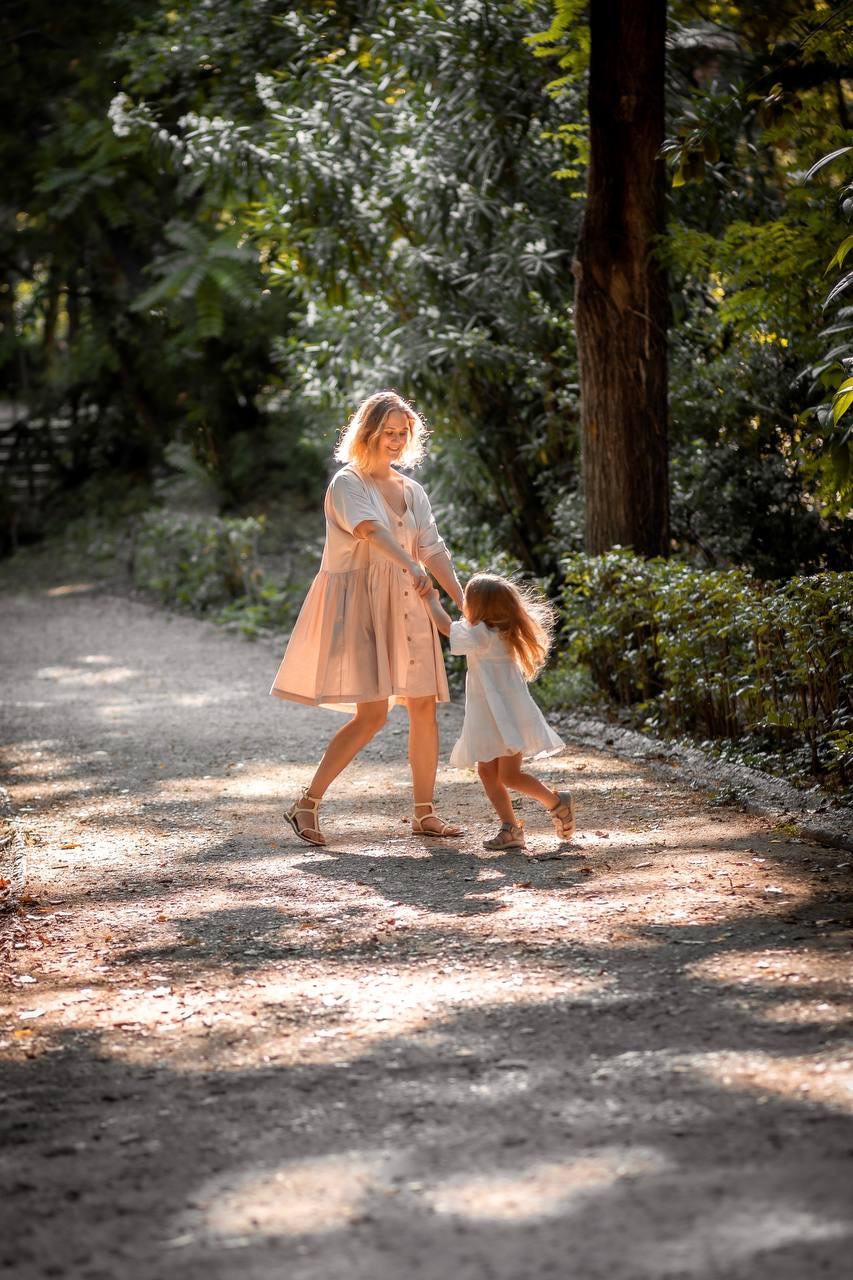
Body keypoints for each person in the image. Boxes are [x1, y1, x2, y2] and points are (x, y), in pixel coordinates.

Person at [271, 390, 464, 846]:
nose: (396, 442)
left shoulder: (412, 490)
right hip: (360, 604)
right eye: (387, 433)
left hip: (408, 603)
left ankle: (424, 814)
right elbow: (370, 532)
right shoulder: (347, 483)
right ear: (367, 433)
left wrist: (465, 601)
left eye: (403, 434)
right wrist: (410, 563)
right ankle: (307, 803)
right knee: (372, 714)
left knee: (423, 707)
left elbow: (434, 550)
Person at [424, 573, 576, 850]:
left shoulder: (481, 635)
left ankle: (557, 802)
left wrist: (430, 599)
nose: (464, 605)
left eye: (467, 600)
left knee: (509, 776)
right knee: (487, 772)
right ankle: (510, 828)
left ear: (480, 608)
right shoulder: (499, 632)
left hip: (504, 718)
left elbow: (446, 627)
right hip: (491, 716)